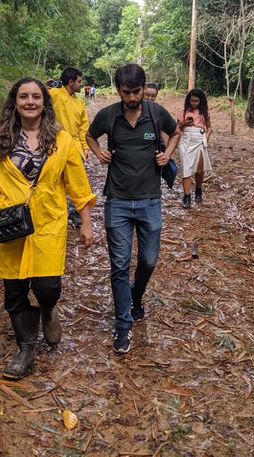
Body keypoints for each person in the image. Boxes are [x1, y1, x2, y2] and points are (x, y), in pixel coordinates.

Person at [0, 77, 96, 379]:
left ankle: (48, 310)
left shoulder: (61, 140)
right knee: (14, 291)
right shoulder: (0, 142)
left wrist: (86, 221)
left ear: (44, 102)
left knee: (47, 287)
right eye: (23, 96)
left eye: (36, 97)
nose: (30, 102)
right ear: (14, 102)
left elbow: (78, 184)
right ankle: (26, 348)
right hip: (9, 224)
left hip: (48, 222)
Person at [86, 63, 180, 354]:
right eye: (126, 92)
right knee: (119, 265)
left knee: (149, 260)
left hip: (150, 199)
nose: (132, 98)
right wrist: (98, 151)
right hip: (117, 200)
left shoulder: (156, 113)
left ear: (143, 89)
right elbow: (90, 135)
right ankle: (123, 323)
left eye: (136, 92)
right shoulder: (109, 115)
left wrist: (167, 153)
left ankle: (135, 298)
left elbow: (175, 132)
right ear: (118, 90)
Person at [48, 66, 91, 227]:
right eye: (79, 81)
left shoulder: (80, 102)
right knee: (54, 179)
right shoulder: (53, 94)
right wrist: (45, 85)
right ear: (70, 82)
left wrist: (85, 147)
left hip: (75, 147)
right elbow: (35, 96)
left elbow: (83, 127)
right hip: (54, 144)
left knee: (77, 180)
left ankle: (74, 212)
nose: (81, 84)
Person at [176, 89, 212, 209]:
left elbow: (209, 128)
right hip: (186, 139)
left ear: (201, 101)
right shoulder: (183, 111)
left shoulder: (204, 111)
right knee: (186, 168)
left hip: (200, 138)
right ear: (188, 100)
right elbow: (177, 129)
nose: (194, 103)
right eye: (192, 100)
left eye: (197, 101)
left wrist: (206, 137)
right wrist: (185, 123)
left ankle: (198, 190)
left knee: (200, 169)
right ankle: (187, 196)